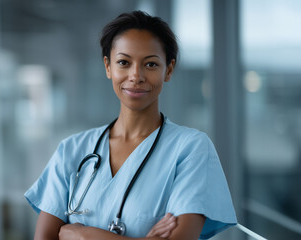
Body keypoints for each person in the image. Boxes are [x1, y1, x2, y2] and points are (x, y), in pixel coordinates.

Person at [24, 10, 237, 240]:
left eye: (151, 64)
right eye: (124, 62)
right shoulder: (72, 150)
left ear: (169, 69)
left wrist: (81, 234)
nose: (136, 76)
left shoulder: (191, 149)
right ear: (108, 67)